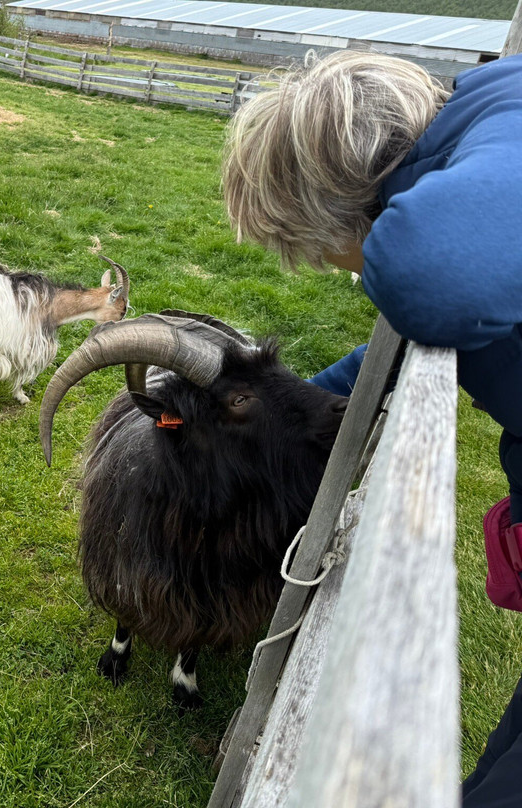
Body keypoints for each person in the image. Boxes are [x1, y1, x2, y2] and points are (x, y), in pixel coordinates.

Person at [221, 50, 522, 806]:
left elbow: (430, 274)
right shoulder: (486, 115)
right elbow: (400, 342)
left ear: (351, 210)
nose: (335, 269)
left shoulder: (490, 152)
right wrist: (292, 409)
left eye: (320, 250)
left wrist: (385, 239)